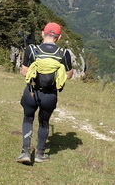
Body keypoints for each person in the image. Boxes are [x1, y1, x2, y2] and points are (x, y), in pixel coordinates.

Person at [16, 22, 74, 164]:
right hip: (50, 95)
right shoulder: (63, 53)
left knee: (28, 119)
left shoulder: (31, 49)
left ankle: (25, 151)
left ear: (43, 33)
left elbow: (24, 72)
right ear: (58, 37)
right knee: (44, 122)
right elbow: (69, 75)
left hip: (31, 92)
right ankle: (40, 154)